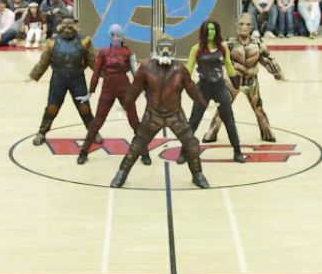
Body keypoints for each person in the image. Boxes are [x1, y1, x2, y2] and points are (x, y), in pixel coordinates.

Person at [110, 35, 209, 189]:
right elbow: (134, 90)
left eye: (168, 48)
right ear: (156, 49)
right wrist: (127, 105)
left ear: (174, 50)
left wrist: (203, 102)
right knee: (137, 146)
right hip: (152, 115)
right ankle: (121, 173)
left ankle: (197, 174)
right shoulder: (146, 68)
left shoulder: (180, 69)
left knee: (192, 144)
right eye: (162, 48)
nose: (165, 51)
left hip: (175, 115)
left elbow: (191, 88)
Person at [203, 13, 283, 144]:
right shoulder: (228, 43)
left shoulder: (258, 44)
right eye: (241, 24)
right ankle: (211, 133)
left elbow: (268, 59)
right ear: (236, 26)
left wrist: (277, 73)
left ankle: (267, 133)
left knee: (259, 109)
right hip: (232, 81)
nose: (244, 27)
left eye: (247, 24)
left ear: (252, 26)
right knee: (223, 108)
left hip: (251, 82)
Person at [28, 17, 97, 145]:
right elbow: (44, 61)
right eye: (64, 26)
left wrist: (105, 74)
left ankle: (93, 132)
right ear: (59, 26)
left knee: (84, 108)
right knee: (52, 108)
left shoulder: (85, 41)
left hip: (78, 79)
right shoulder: (52, 42)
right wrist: (33, 75)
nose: (67, 28)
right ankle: (42, 132)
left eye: (70, 26)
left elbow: (93, 61)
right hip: (58, 79)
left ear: (76, 25)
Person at [184, 20, 246, 163]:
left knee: (229, 120)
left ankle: (237, 152)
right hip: (203, 88)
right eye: (208, 29)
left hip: (219, 87)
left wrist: (236, 82)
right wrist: (182, 84)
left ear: (216, 31)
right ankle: (184, 151)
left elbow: (229, 66)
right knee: (193, 121)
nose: (211, 32)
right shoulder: (196, 49)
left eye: (213, 29)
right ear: (203, 31)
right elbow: (188, 69)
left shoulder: (223, 48)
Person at [79, 24, 142, 165]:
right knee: (97, 122)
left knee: (134, 121)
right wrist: (91, 91)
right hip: (107, 89)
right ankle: (84, 151)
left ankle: (143, 152)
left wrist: (141, 89)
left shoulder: (128, 52)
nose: (115, 38)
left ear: (122, 37)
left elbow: (136, 74)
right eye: (113, 35)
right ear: (109, 36)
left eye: (118, 35)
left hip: (125, 89)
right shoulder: (103, 52)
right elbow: (96, 72)